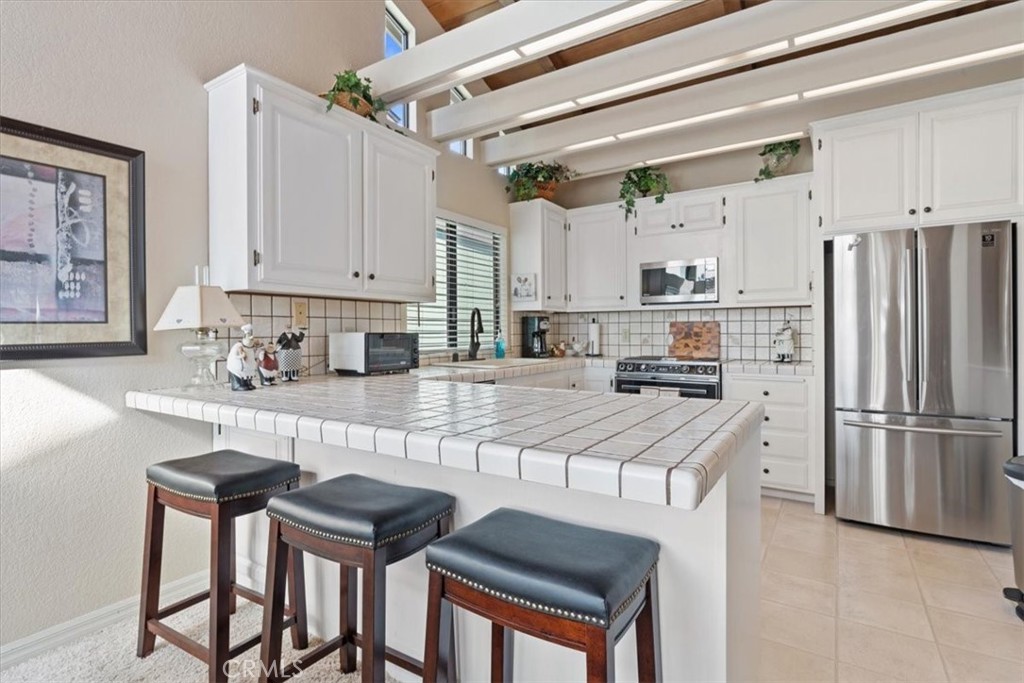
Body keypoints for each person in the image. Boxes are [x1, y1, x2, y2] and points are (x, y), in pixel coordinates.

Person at [226, 323, 260, 390]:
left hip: (247, 367)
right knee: (239, 376)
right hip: (237, 368)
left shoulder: (250, 348)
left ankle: (248, 383)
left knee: (248, 374)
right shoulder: (238, 346)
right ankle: (237, 385)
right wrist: (240, 356)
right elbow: (234, 355)